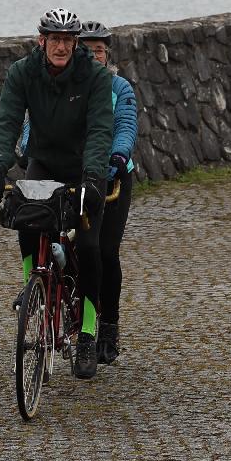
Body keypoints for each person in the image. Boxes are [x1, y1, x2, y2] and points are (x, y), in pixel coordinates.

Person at [0, 8, 115, 378]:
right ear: (41, 41)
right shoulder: (22, 73)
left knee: (89, 247)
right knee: (26, 219)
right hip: (43, 162)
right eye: (54, 39)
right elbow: (7, 122)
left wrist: (92, 178)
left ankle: (87, 331)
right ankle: (33, 289)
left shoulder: (94, 77)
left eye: (67, 41)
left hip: (84, 168)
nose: (61, 47)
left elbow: (100, 130)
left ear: (75, 44)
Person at [78, 20, 136, 364]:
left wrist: (116, 158)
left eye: (99, 50)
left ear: (107, 54)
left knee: (104, 250)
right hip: (74, 175)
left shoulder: (119, 87)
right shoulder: (67, 85)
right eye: (86, 50)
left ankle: (109, 327)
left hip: (112, 178)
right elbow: (34, 122)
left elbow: (126, 126)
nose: (94, 56)